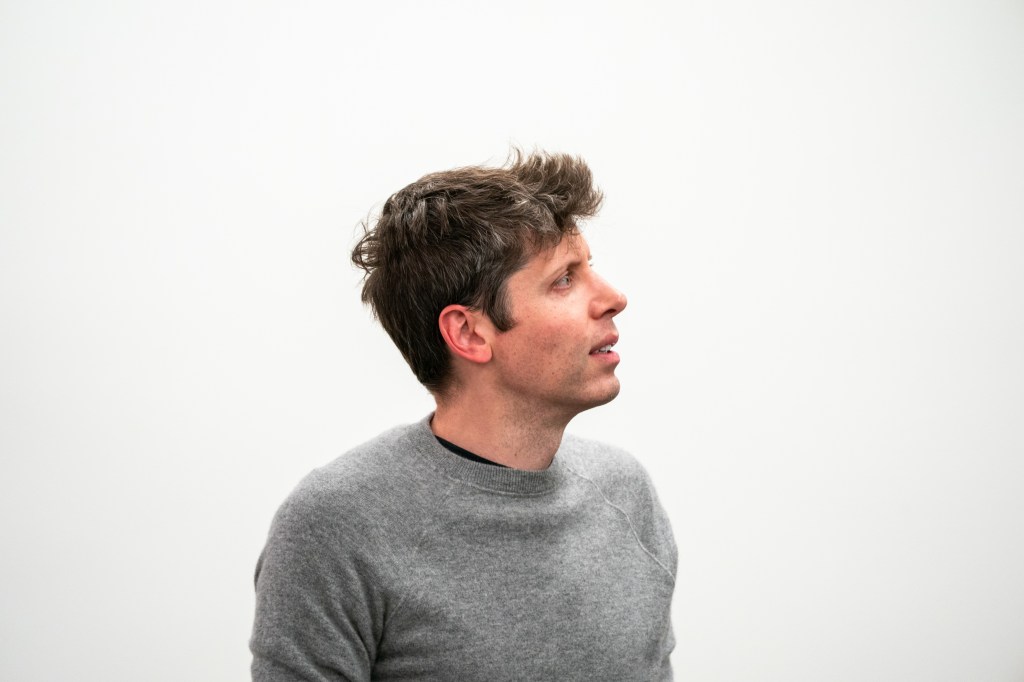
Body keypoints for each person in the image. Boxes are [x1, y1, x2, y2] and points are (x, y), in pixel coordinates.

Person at [250, 150, 677, 681]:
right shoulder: (337, 526)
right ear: (469, 333)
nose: (614, 298)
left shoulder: (626, 495)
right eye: (564, 279)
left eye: (590, 268)